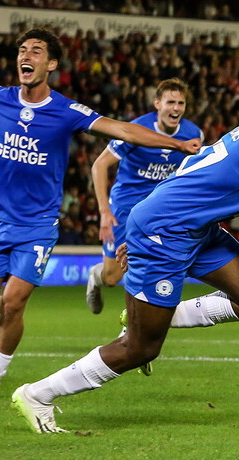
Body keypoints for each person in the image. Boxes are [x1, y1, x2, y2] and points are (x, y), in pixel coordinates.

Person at [11, 74, 239, 434]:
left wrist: (146, 216)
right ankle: (37, 395)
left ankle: (154, 314)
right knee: (141, 348)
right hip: (164, 234)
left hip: (194, 229)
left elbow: (191, 169)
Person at [0, 28, 202, 401]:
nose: (27, 55)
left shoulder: (67, 111)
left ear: (51, 64)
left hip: (38, 225)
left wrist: (177, 144)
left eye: (36, 51)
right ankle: (1, 321)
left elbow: (121, 129)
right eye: (23, 50)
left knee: (15, 302)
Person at [86, 78, 203, 314]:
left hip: (160, 212)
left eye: (181, 103)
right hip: (125, 208)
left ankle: (138, 321)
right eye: (170, 102)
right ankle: (95, 277)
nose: (176, 108)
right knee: (112, 277)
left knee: (155, 264)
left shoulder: (193, 133)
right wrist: (104, 212)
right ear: (157, 103)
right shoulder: (135, 129)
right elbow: (99, 166)